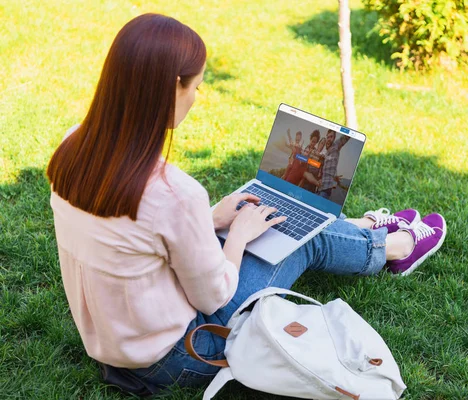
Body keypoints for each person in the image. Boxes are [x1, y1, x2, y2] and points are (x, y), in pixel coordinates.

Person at [46, 14, 447, 393]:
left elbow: (137, 236)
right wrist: (236, 234)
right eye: (197, 86)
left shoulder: (74, 146)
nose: (197, 97)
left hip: (111, 341)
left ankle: (360, 228)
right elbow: (213, 298)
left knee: (269, 220)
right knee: (298, 234)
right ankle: (396, 247)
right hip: (181, 354)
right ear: (172, 88)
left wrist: (210, 218)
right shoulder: (173, 194)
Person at [318, 129, 350, 199]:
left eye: (331, 137)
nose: (329, 139)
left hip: (326, 189)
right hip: (319, 188)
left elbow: (346, 136)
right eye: (328, 137)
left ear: (334, 138)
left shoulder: (336, 145)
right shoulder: (325, 153)